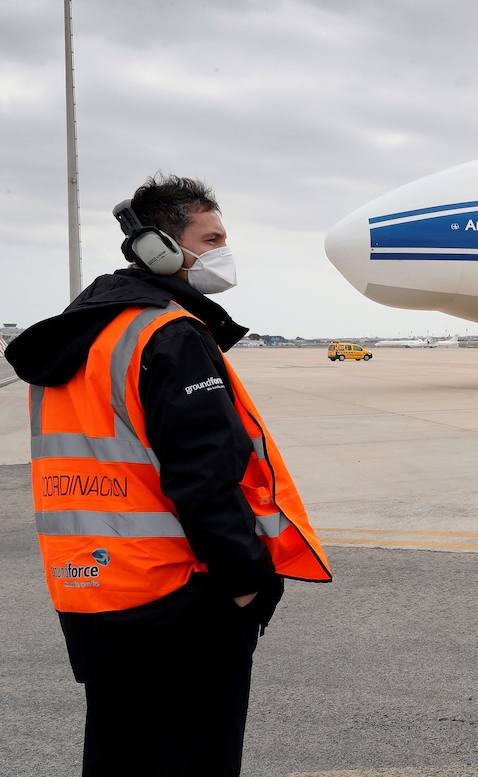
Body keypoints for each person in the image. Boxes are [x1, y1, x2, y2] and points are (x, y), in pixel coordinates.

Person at [6, 175, 333, 776]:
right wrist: (245, 579)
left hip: (93, 587)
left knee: (119, 752)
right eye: (211, 239)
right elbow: (206, 476)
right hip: (179, 596)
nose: (223, 252)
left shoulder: (83, 337)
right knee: (194, 758)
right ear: (158, 248)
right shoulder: (168, 334)